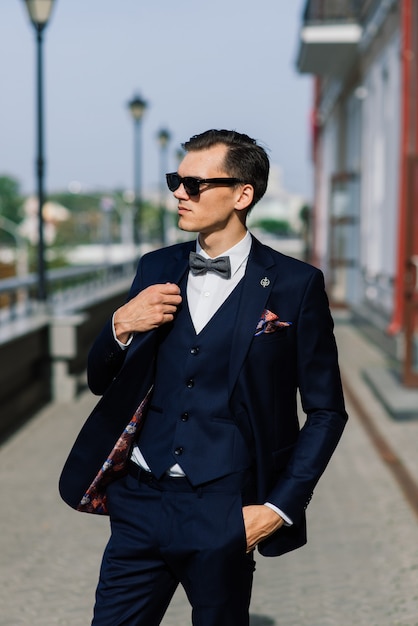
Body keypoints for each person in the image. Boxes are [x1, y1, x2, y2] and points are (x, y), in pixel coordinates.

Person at [59, 129, 348, 626]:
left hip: (226, 508)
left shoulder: (296, 285)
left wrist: (278, 509)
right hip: (141, 502)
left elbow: (326, 411)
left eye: (194, 183)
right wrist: (119, 326)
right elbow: (101, 379)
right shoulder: (156, 266)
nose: (178, 192)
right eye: (177, 180)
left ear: (242, 195)